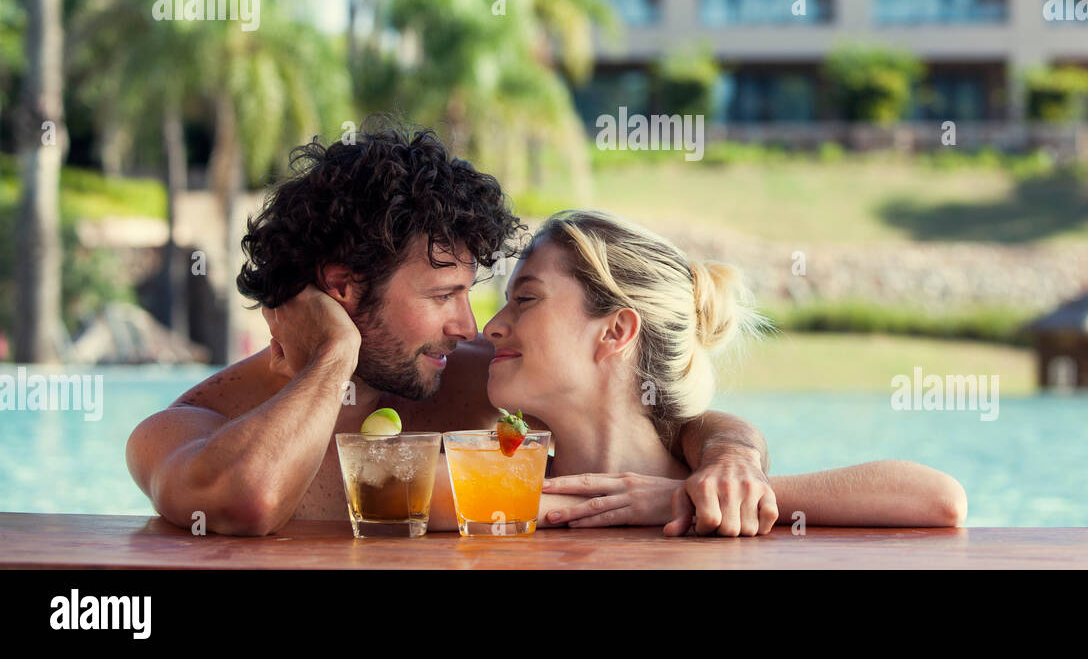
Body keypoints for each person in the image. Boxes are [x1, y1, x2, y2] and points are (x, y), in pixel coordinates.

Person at [125, 121, 776, 536]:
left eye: (472, 293)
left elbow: (667, 420)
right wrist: (336, 353)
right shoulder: (186, 428)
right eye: (443, 295)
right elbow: (250, 500)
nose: (470, 325)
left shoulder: (471, 385)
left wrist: (732, 457)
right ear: (344, 286)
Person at [269, 208, 969, 532]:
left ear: (616, 330)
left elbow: (938, 499)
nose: (490, 325)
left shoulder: (711, 492)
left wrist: (699, 492)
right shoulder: (500, 475)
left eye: (526, 299)